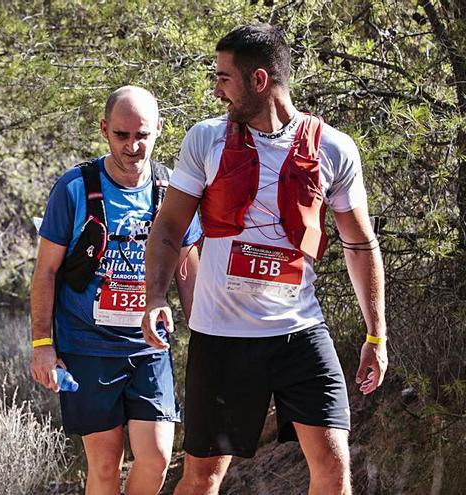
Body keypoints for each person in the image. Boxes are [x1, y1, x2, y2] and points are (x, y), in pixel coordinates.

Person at [142, 24, 388, 495]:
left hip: (299, 332)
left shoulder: (334, 148)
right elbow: (170, 227)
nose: (216, 90)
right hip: (223, 338)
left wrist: (376, 334)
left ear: (259, 81)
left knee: (334, 466)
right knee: (202, 477)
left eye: (224, 78)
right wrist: (155, 296)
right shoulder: (205, 140)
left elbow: (360, 244)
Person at [31, 86, 203, 494]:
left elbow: (186, 268)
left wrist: (207, 337)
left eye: (142, 135)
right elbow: (46, 272)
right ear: (105, 130)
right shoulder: (74, 188)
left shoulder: (172, 189)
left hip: (149, 347)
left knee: (158, 457)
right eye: (122, 135)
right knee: (106, 464)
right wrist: (42, 343)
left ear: (160, 129)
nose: (133, 146)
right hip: (87, 347)